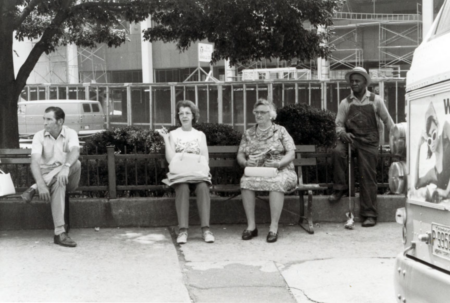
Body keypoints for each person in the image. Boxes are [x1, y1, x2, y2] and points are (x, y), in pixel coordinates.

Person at [328, 67, 394, 227]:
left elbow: (388, 122)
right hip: (351, 140)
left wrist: (396, 141)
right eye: (352, 81)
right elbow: (338, 125)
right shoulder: (345, 103)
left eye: (357, 81)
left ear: (365, 82)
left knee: (368, 175)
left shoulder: (375, 100)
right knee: (337, 152)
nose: (354, 83)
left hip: (369, 142)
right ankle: (340, 188)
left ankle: (369, 214)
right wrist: (343, 133)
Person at [237, 99, 297, 243]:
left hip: (282, 170)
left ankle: (273, 227)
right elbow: (240, 154)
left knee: (276, 182)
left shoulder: (281, 130)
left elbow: (291, 152)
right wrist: (245, 162)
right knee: (245, 181)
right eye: (256, 112)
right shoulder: (249, 133)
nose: (259, 115)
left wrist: (279, 163)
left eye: (263, 112)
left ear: (271, 115)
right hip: (257, 170)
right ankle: (251, 227)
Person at [21, 107, 81, 247]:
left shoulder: (70, 133)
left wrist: (65, 167)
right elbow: (35, 162)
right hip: (49, 176)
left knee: (76, 163)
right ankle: (60, 233)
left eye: (49, 119)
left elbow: (75, 151)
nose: (45, 123)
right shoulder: (39, 136)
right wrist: (42, 184)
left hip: (69, 174)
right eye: (44, 119)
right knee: (59, 183)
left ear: (60, 122)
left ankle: (33, 188)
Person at [156, 100, 214, 244]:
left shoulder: (200, 135)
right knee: (182, 188)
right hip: (180, 174)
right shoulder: (173, 134)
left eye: (187, 113)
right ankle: (183, 230)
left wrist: (198, 169)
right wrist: (165, 138)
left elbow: (205, 158)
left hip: (197, 172)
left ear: (193, 115)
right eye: (181, 113)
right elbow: (170, 159)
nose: (184, 116)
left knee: (202, 187)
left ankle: (206, 229)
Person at [413, 102, 450, 202]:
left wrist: (447, 191)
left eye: (433, 134)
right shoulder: (433, 173)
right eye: (429, 139)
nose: (432, 142)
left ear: (438, 127)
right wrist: (418, 147)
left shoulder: (446, 131)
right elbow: (416, 185)